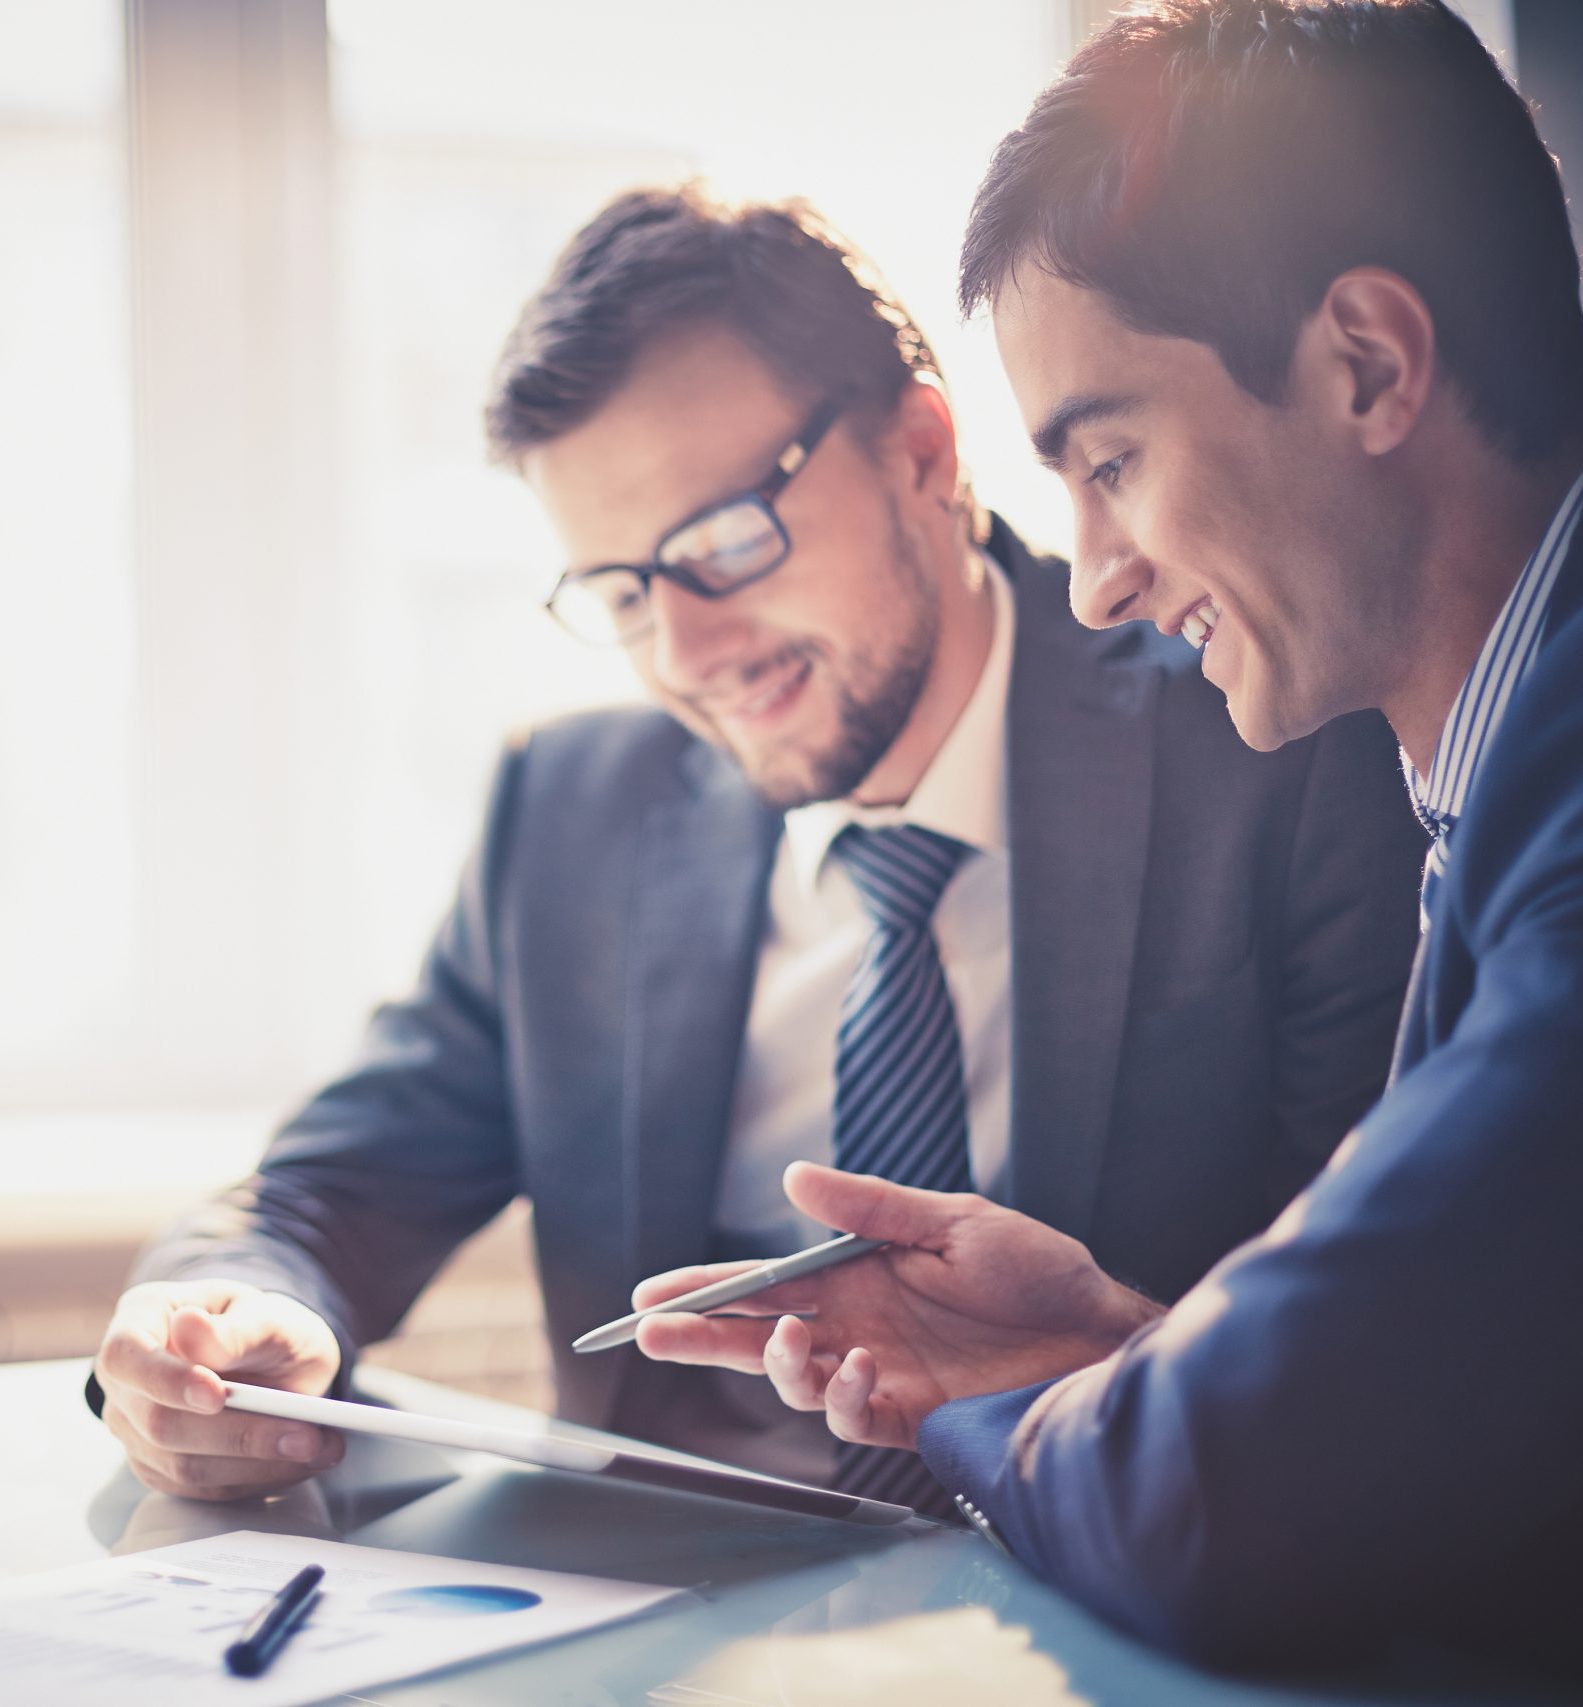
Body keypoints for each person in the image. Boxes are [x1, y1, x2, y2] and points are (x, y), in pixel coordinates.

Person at [632, 5, 1583, 1696]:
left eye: (1115, 461)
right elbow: (1470, 1417)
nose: (1096, 581)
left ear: (1369, 363)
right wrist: (1116, 1346)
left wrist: (1022, 1407)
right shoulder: (1556, 723)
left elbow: (1235, 1501)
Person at [87, 186, 1424, 1517]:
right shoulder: (568, 812)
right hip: (659, 1619)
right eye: (620, 592)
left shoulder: (1269, 740)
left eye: (724, 542)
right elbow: (328, 1189)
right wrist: (224, 1315)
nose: (685, 653)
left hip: (1099, 1576)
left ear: (920, 452)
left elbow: (1370, 1335)